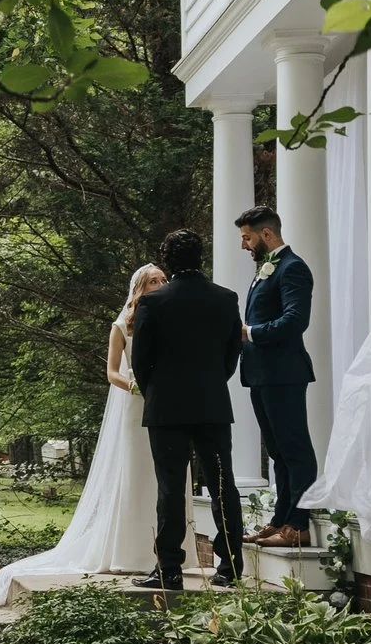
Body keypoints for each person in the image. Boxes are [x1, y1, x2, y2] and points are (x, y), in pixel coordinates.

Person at [0, 265, 167, 611]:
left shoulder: (169, 319)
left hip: (165, 405)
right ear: (139, 288)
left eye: (163, 279)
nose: (160, 284)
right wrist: (133, 385)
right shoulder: (122, 326)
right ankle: (131, 551)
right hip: (134, 406)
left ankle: (165, 551)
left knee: (162, 478)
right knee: (134, 476)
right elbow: (111, 371)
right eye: (153, 281)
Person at [130, 228, 248, 590]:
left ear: (167, 260)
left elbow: (141, 362)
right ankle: (229, 568)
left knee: (169, 488)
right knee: (223, 485)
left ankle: (169, 570)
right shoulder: (225, 298)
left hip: (166, 408)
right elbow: (232, 353)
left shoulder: (153, 303)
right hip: (212, 404)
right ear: (201, 257)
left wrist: (157, 391)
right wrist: (211, 382)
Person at [236, 205, 320, 548]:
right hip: (261, 375)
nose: (243, 244)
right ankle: (280, 520)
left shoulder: (293, 267)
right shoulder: (266, 269)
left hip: (284, 373)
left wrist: (249, 333)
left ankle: (298, 525)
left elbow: (295, 320)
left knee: (295, 450)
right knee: (278, 452)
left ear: (266, 234)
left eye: (247, 237)